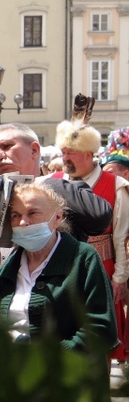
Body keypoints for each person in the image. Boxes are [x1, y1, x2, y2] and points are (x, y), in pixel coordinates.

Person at [0, 123, 113, 323]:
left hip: (51, 326)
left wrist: (41, 185)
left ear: (34, 150)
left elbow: (100, 217)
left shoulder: (61, 190)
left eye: (7, 146)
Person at [0, 182, 118, 352]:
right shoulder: (10, 265)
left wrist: (46, 359)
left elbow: (102, 329)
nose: (23, 222)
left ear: (57, 218)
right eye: (15, 215)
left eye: (32, 213)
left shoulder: (83, 258)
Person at [55, 119, 129, 360]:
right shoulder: (53, 180)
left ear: (89, 154)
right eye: (63, 152)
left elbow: (120, 236)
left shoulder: (115, 185)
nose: (66, 158)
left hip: (103, 270)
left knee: (100, 344)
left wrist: (119, 278)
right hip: (60, 272)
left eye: (72, 153)